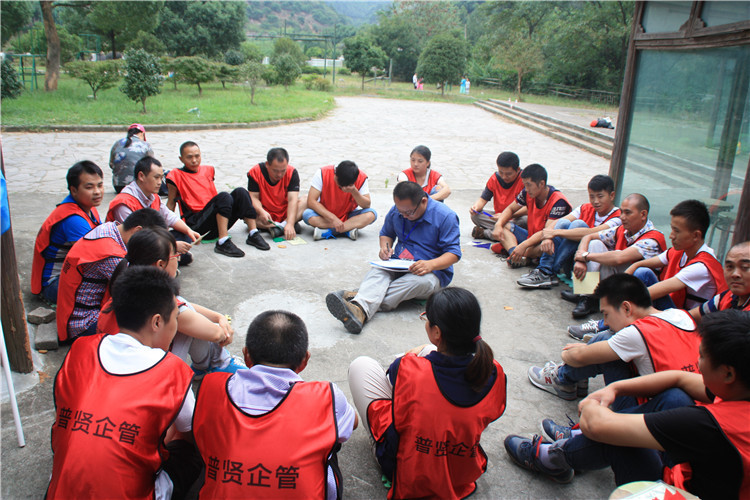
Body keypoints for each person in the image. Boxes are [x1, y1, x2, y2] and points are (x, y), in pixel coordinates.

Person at [504, 309, 750, 498]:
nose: (697, 362)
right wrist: (615, 388)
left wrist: (593, 406)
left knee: (616, 437)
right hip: (700, 477)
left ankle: (552, 457)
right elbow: (680, 378)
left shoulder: (707, 424)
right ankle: (569, 443)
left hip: (681, 490)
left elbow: (598, 426)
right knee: (675, 396)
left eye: (702, 356)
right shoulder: (737, 391)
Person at [46, 266, 201, 499]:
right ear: (157, 322)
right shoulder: (172, 371)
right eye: (176, 318)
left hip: (60, 491)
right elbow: (191, 432)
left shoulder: (80, 349)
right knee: (189, 448)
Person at [348, 287, 506, 499]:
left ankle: (378, 449)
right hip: (460, 470)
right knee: (429, 352)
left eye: (426, 318)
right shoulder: (493, 371)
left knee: (361, 365)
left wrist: (410, 359)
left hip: (408, 471)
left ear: (437, 332)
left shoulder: (410, 368)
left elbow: (393, 378)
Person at [193, 310, 357, 499]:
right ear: (305, 360)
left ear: (246, 355)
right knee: (332, 435)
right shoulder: (326, 396)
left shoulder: (211, 387)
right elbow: (352, 423)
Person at [527, 274, 698, 408]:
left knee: (606, 339)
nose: (606, 322)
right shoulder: (681, 315)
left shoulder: (638, 333)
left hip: (650, 417)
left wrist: (570, 353)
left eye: (606, 314)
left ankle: (561, 378)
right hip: (693, 408)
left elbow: (577, 357)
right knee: (608, 345)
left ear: (626, 308)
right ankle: (574, 378)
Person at [97, 228, 244, 376]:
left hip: (110, 365)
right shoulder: (161, 302)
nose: (179, 260)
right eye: (176, 255)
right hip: (144, 373)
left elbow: (183, 305)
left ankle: (211, 364)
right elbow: (216, 334)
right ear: (161, 264)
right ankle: (218, 363)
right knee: (187, 322)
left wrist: (218, 317)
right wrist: (223, 329)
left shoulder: (125, 288)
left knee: (185, 312)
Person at [325, 181, 461, 334]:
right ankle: (360, 307)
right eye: (400, 212)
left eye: (409, 212)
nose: (404, 216)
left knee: (419, 282)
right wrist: (385, 247)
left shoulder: (445, 216)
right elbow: (386, 234)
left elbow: (454, 254)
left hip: (431, 272)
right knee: (378, 271)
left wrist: (430, 265)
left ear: (423, 201)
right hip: (399, 263)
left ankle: (360, 301)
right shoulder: (398, 210)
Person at [56, 208, 167, 342]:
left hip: (72, 313)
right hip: (84, 323)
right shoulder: (112, 255)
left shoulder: (109, 229)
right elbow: (141, 293)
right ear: (137, 231)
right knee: (154, 323)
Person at [566, 193, 666, 324]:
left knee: (612, 256)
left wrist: (586, 256)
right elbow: (588, 236)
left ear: (643, 214)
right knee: (595, 244)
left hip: (640, 294)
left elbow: (619, 258)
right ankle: (585, 296)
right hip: (621, 284)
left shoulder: (652, 239)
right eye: (622, 212)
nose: (622, 217)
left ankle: (601, 305)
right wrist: (581, 259)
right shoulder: (623, 230)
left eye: (628, 213)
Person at [517, 174, 621, 289]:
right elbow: (558, 223)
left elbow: (592, 233)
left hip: (595, 268)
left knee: (580, 226)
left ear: (612, 195)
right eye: (592, 196)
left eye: (600, 196)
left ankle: (547, 272)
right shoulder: (585, 208)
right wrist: (548, 237)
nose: (596, 201)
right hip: (574, 264)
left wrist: (555, 233)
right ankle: (544, 271)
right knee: (563, 223)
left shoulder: (618, 217)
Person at [167, 141, 268, 258]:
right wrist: (164, 230)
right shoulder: (175, 175)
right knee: (224, 197)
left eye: (197, 156)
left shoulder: (208, 170)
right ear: (181, 159)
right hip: (196, 224)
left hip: (215, 218)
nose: (194, 160)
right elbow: (171, 203)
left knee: (241, 192)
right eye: (189, 157)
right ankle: (222, 242)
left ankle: (253, 233)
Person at [625, 199, 727, 311]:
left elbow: (652, 292)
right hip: (676, 309)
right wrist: (634, 266)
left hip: (688, 318)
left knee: (637, 289)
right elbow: (654, 261)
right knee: (642, 272)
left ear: (696, 235)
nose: (671, 236)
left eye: (677, 231)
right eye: (672, 229)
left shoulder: (701, 267)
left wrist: (616, 296)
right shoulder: (682, 251)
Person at [31, 161, 103, 304]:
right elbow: (95, 259)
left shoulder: (88, 208)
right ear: (74, 190)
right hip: (54, 283)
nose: (97, 191)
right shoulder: (73, 219)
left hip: (69, 275)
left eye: (100, 185)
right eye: (89, 187)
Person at [106, 156, 200, 266]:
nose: (160, 182)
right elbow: (136, 240)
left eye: (161, 178)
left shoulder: (153, 196)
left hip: (152, 239)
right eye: (156, 178)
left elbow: (169, 216)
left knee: (184, 235)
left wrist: (189, 231)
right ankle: (168, 260)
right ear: (141, 176)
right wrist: (171, 246)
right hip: (133, 248)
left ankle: (170, 258)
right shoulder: (124, 203)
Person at [490, 163, 572, 268]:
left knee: (544, 247)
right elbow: (510, 209)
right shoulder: (527, 192)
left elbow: (547, 232)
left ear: (541, 184)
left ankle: (519, 254)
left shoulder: (558, 202)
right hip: (530, 237)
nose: (526, 189)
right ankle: (516, 256)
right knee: (504, 224)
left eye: (529, 185)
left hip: (544, 241)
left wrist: (524, 245)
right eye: (525, 185)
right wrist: (498, 225)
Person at [303, 160, 377, 241]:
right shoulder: (322, 173)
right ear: (335, 175)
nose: (343, 189)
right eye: (340, 185)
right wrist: (333, 218)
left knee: (371, 214)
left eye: (346, 186)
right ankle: (347, 229)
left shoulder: (361, 178)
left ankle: (329, 231)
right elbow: (311, 201)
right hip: (326, 216)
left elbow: (366, 205)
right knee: (307, 214)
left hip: (348, 215)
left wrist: (354, 191)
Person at [247, 147, 307, 241]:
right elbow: (253, 197)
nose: (279, 175)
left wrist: (290, 223)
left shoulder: (292, 172)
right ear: (267, 164)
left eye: (283, 171)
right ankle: (283, 226)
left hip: (285, 213)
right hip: (265, 215)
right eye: (275, 171)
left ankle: (281, 226)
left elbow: (293, 200)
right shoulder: (255, 172)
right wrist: (262, 211)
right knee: (247, 213)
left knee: (306, 199)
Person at [469, 151, 526, 241]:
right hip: (497, 217)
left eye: (508, 174)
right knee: (476, 216)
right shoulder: (494, 179)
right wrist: (475, 208)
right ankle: (507, 232)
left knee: (525, 220)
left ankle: (486, 233)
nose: (504, 177)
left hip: (515, 217)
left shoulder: (525, 181)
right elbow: (483, 199)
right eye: (501, 172)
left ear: (518, 170)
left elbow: (529, 208)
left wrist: (506, 216)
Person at [690, 240, 750, 320]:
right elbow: (690, 316)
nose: (735, 274)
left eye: (745, 267)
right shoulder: (727, 296)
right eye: (730, 266)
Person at [109, 123, 154, 193]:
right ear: (142, 134)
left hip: (118, 186)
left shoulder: (117, 143)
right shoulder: (145, 145)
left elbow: (111, 164)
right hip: (137, 187)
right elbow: (152, 166)